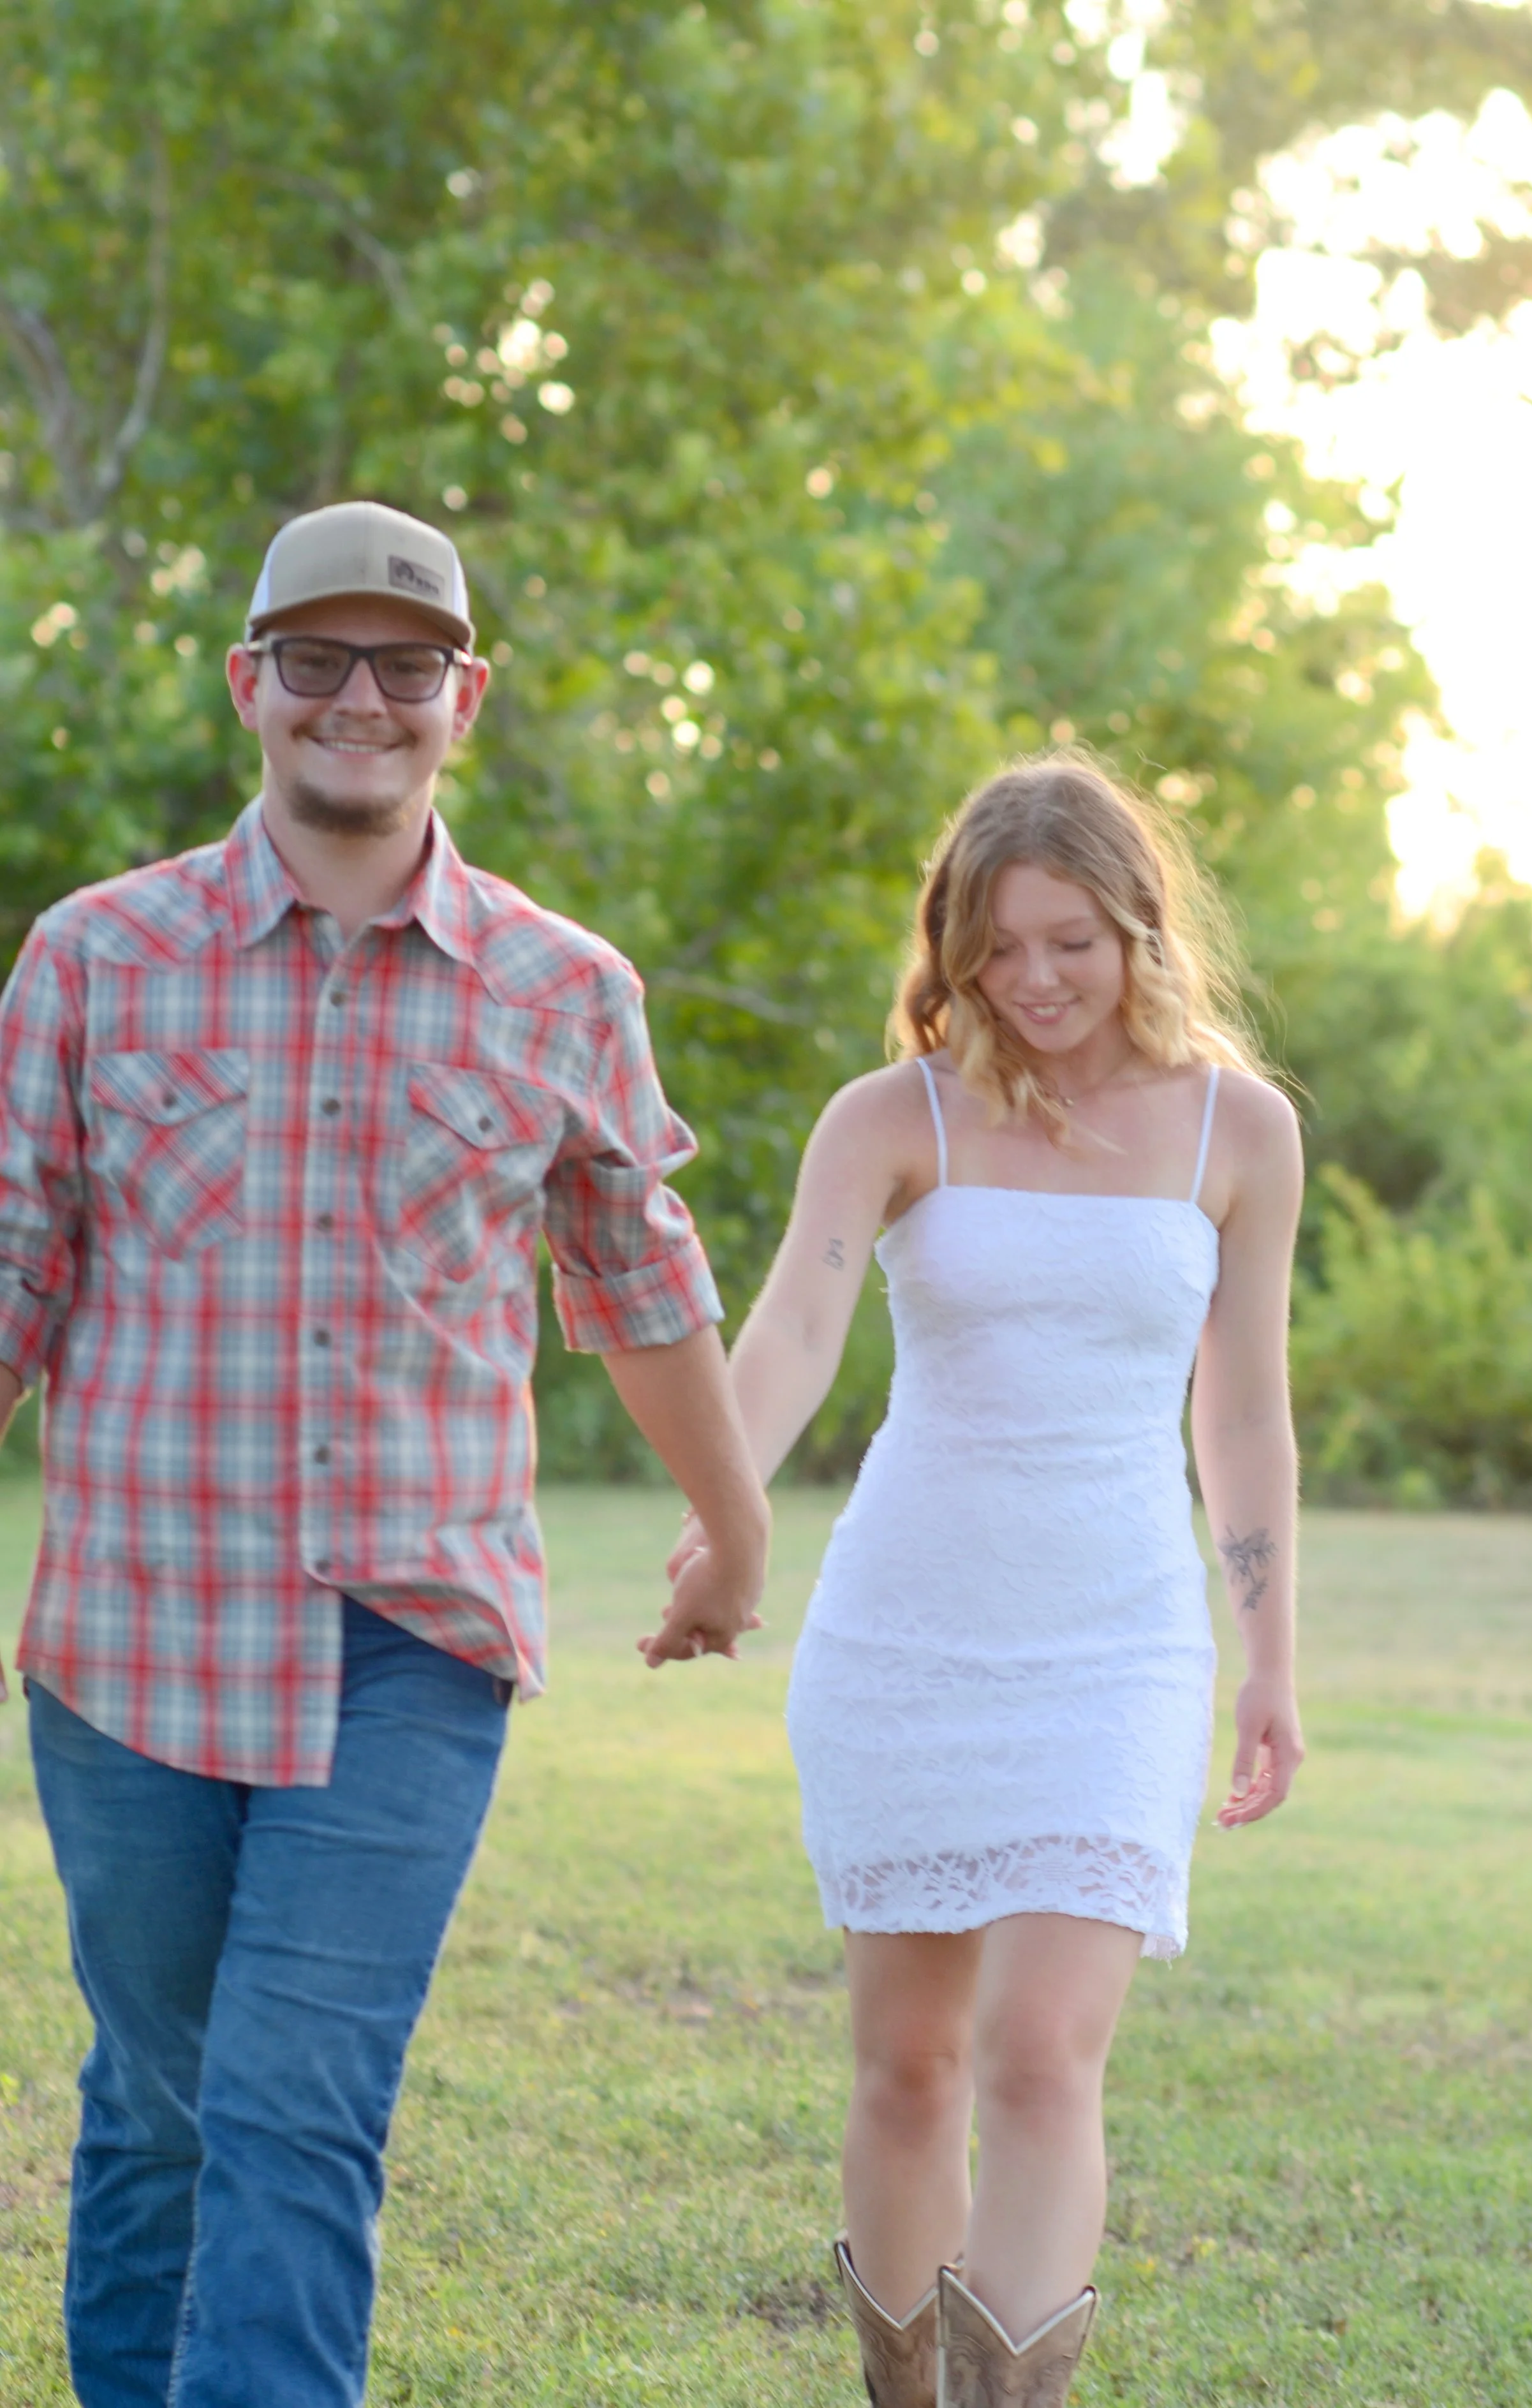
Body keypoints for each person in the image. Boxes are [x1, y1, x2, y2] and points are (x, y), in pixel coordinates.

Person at [0, 499, 770, 2408]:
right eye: (322, 661)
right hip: (134, 1640)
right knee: (166, 2102)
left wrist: (731, 1536)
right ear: (251, 683)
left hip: (408, 1643)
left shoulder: (560, 987)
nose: (364, 699)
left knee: (293, 2104)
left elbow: (639, 1282)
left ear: (465, 698)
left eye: (406, 665)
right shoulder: (94, 961)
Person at [673, 755, 1306, 2404]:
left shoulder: (1241, 1132)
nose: (1032, 981)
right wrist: (718, 1516)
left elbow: (1237, 1405)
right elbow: (795, 1324)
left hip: (1116, 1642)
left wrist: (1271, 1657)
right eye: (996, 947)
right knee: (905, 2065)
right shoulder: (896, 1116)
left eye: (1069, 942)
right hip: (906, 1629)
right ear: (950, 950)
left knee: (1039, 2052)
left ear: (1138, 929)